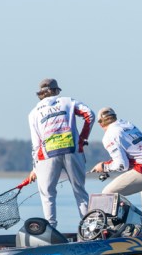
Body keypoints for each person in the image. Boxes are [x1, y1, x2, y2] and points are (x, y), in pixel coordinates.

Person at [17, 78, 95, 229]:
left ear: (41, 94)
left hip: (47, 156)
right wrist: (83, 138)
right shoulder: (68, 101)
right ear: (55, 91)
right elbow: (89, 115)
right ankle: (89, 228)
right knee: (79, 191)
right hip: (72, 151)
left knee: (47, 194)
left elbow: (36, 143)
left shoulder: (33, 113)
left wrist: (35, 168)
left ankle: (51, 230)